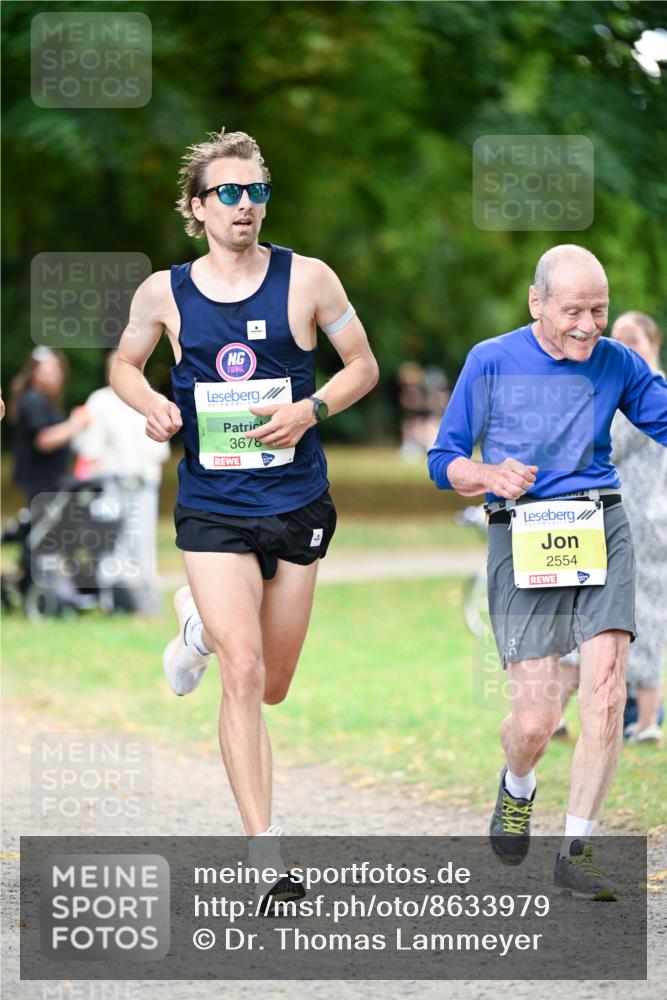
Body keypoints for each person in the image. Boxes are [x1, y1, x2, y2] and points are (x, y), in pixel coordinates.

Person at [110, 128, 379, 905]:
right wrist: (152, 403)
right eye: (228, 192)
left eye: (256, 191)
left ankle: (196, 628)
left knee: (274, 685)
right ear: (197, 207)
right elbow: (123, 365)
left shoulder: (309, 280)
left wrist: (310, 409)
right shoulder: (164, 294)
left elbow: (362, 364)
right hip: (213, 506)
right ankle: (267, 857)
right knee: (245, 669)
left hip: (296, 501)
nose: (245, 205)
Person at [428, 244, 667, 900]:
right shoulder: (491, 360)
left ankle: (577, 848)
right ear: (537, 303)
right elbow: (442, 459)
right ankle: (517, 785)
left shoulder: (618, 363)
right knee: (534, 722)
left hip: (601, 523)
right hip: (523, 532)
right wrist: (487, 474)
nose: (588, 326)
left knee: (606, 692)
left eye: (599, 310)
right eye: (573, 311)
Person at [73, 350, 170, 614]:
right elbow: (90, 448)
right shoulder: (99, 401)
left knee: (143, 542)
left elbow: (159, 448)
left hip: (143, 483)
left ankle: (146, 600)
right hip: (111, 484)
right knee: (113, 545)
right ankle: (113, 601)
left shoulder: (152, 399)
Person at [609, 312, 667, 743]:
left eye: (633, 340)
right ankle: (642, 718)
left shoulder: (646, 392)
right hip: (641, 519)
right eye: (616, 341)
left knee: (644, 614)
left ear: (654, 344)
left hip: (641, 522)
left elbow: (607, 447)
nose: (623, 349)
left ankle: (647, 722)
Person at [8, 347, 90, 501]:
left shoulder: (45, 402)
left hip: (47, 484)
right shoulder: (34, 399)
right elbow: (43, 440)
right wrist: (76, 424)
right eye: (47, 369)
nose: (52, 374)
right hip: (42, 485)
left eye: (56, 369)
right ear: (34, 372)